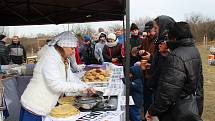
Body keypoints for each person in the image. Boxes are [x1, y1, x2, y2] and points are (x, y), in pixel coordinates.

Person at [19, 31, 95, 121]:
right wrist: (81, 88)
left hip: (46, 105)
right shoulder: (50, 58)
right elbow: (56, 85)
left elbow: (71, 78)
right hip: (35, 106)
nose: (74, 52)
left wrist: (86, 86)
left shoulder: (63, 59)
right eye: (72, 48)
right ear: (63, 46)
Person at [146, 22, 203, 121]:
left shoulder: (176, 56)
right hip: (191, 105)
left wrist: (152, 111)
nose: (166, 40)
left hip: (176, 111)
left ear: (175, 37)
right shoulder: (193, 49)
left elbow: (167, 93)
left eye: (168, 37)